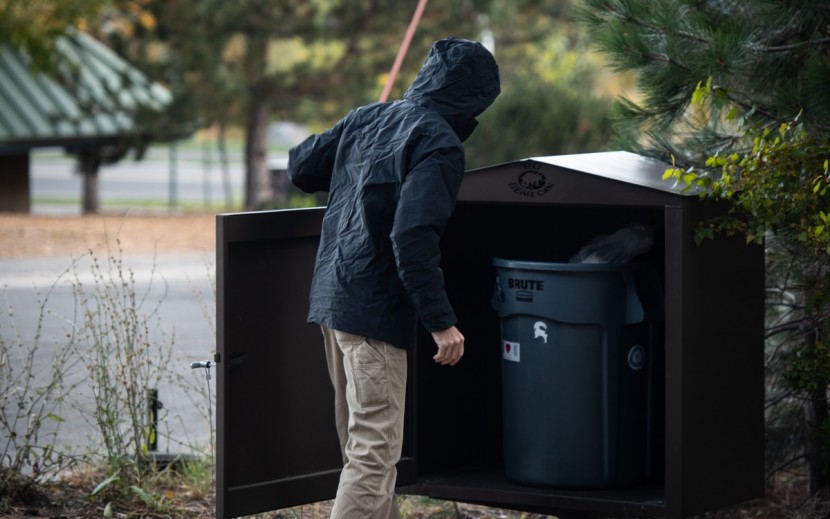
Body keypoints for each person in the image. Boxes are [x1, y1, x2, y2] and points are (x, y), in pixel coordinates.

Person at [287, 37, 500, 519]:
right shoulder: (438, 142)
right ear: (474, 99)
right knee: (374, 452)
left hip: (332, 302)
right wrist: (441, 321)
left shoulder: (368, 117)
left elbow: (301, 165)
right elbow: (412, 235)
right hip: (373, 312)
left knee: (363, 450)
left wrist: (361, 127)